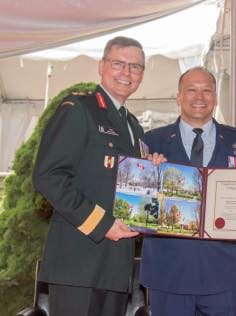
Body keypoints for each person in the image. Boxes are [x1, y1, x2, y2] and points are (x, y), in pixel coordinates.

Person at [33, 36, 155, 316]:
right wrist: (102, 225)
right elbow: (48, 176)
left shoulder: (133, 126)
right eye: (119, 63)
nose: (127, 73)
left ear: (142, 75)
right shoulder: (78, 109)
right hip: (79, 263)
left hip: (116, 267)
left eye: (135, 67)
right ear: (101, 66)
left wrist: (152, 171)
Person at [139, 66, 236, 316]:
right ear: (179, 97)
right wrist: (150, 175)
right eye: (191, 90)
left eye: (207, 91)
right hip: (168, 271)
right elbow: (140, 206)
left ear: (215, 97)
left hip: (224, 272)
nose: (199, 97)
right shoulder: (151, 142)